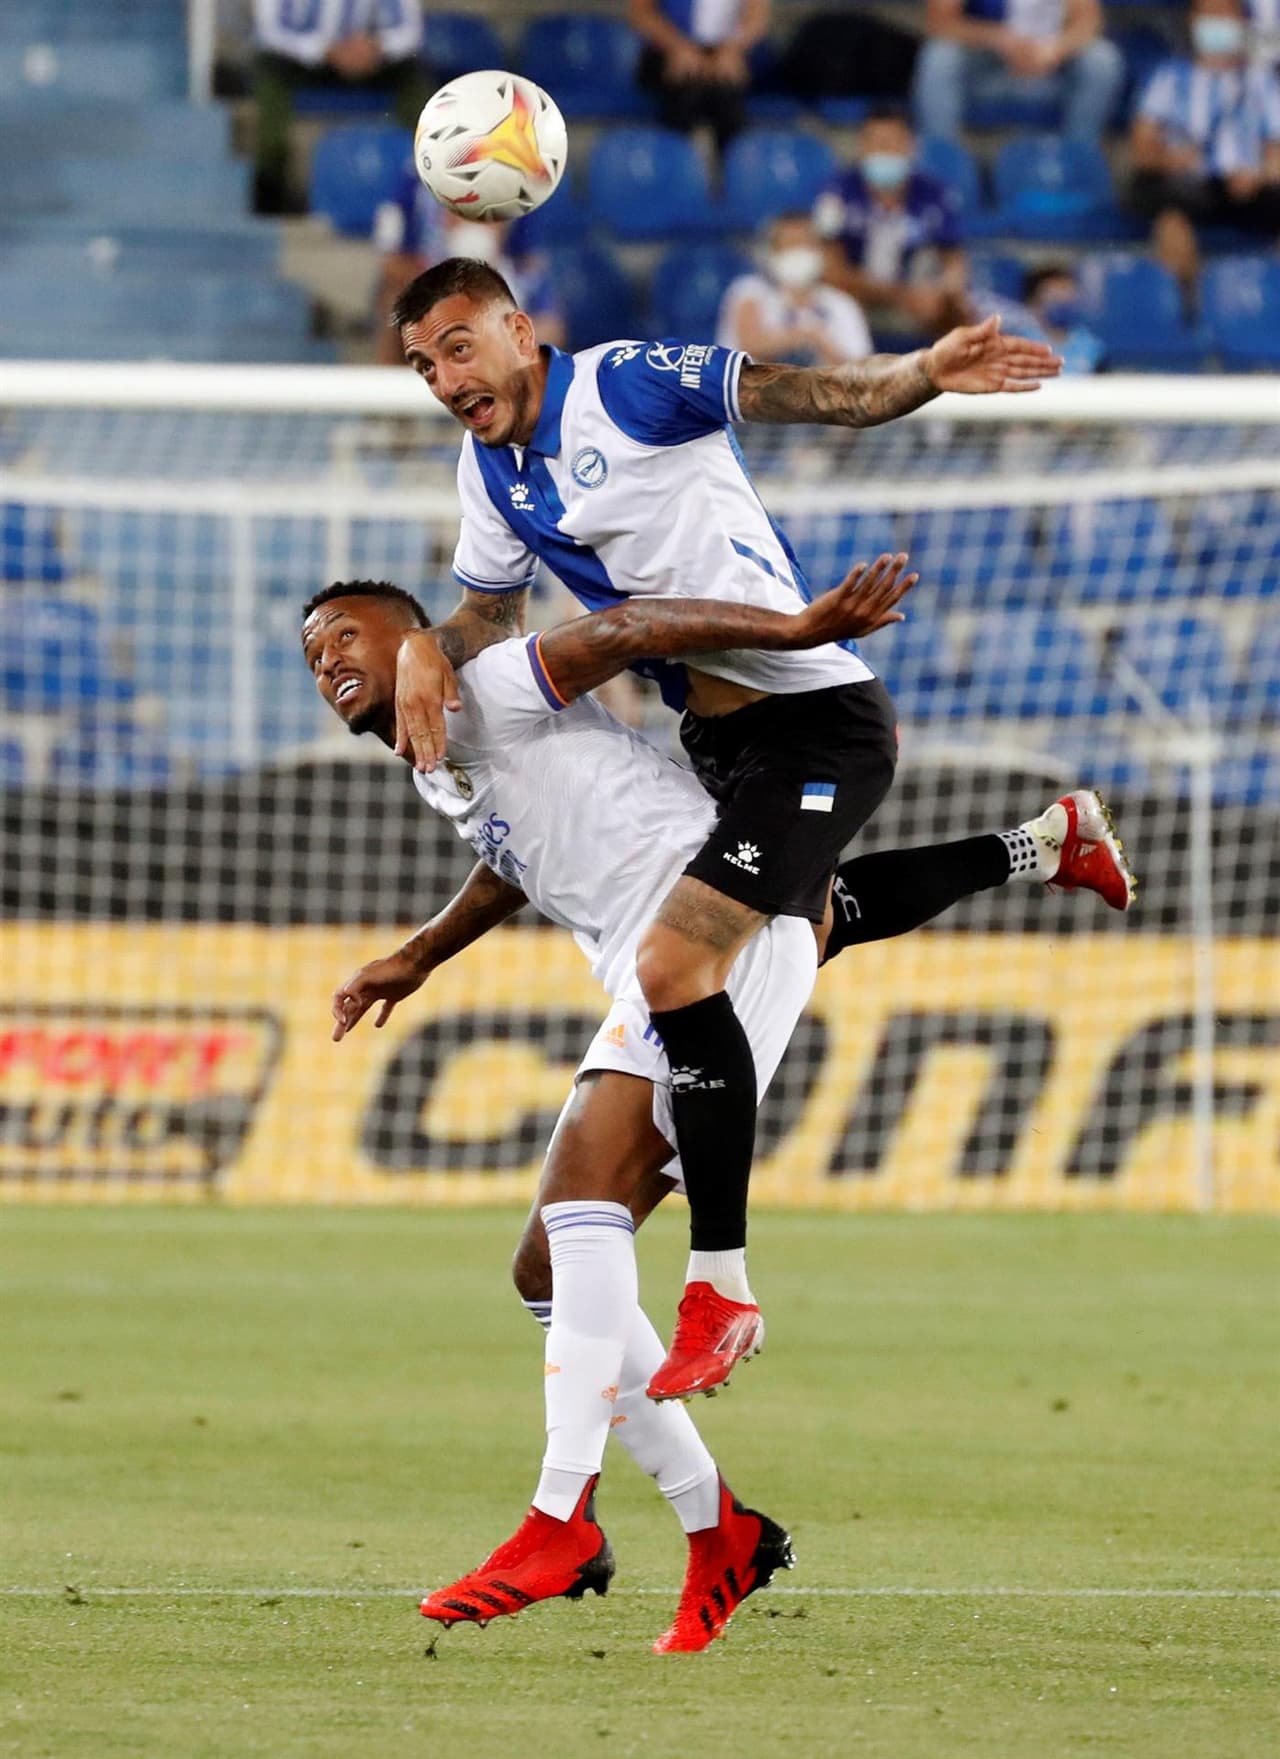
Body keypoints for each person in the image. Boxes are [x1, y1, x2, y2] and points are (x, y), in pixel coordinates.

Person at [302, 574, 1133, 1648]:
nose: (326, 661)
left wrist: (794, 630)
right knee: (546, 1268)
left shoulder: (490, 685)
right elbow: (512, 863)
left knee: (579, 1214)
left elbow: (630, 629)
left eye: (344, 635)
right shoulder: (441, 762)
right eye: (312, 655)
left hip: (697, 944)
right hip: (671, 949)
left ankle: (561, 1516)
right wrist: (415, 955)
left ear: (413, 637)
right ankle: (719, 1527)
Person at [386, 254, 1063, 1404]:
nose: (445, 378)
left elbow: (804, 392)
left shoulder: (630, 383)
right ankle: (1042, 843)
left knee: (673, 960)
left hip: (816, 718)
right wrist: (417, 644)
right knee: (809, 919)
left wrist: (921, 373)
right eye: (421, 364)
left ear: (515, 328)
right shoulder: (486, 470)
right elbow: (485, 614)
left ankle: (722, 1285)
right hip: (715, 742)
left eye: (458, 347)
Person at [1129, 0, 1280, 298]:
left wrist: (1259, 176)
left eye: (1224, 15)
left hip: (1243, 186)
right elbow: (1142, 152)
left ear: (1240, 22)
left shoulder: (1261, 82)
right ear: (1192, 21)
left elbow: (1275, 152)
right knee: (1170, 213)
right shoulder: (1169, 77)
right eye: (1208, 15)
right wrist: (1173, 160)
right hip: (1186, 186)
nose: (1216, 23)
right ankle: (1184, 307)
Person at [251, 0, 430, 215]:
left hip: (368, 57)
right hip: (305, 60)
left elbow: (409, 30)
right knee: (271, 69)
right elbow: (271, 31)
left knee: (412, 73)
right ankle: (271, 181)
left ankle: (428, 168)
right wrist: (326, 50)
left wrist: (376, 46)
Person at [813, 111, 970, 340]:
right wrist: (899, 294)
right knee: (831, 304)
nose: (885, 150)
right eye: (877, 143)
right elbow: (830, 271)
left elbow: (954, 263)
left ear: (911, 146)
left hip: (918, 297)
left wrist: (943, 291)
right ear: (862, 147)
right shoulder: (835, 195)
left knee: (959, 310)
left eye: (893, 143)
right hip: (858, 296)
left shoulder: (935, 193)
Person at [372, 186, 566, 364]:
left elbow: (551, 332)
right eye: (465, 214)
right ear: (445, 219)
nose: (476, 225)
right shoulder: (419, 278)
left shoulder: (521, 279)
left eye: (488, 217)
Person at [912, 0, 1124, 145]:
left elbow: (1088, 22)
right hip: (987, 73)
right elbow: (940, 23)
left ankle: (1077, 163)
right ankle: (941, 168)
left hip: (1050, 74)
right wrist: (999, 39)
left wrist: (1054, 49)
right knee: (938, 55)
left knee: (1102, 59)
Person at [716, 211, 874, 363]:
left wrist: (821, 343)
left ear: (820, 250)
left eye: (805, 243)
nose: (797, 251)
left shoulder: (841, 304)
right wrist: (804, 335)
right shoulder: (749, 291)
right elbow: (749, 345)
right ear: (771, 252)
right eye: (788, 244)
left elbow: (861, 373)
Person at [628, 0, 770, 157]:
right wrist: (677, 48)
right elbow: (642, 15)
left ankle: (734, 172)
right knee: (685, 85)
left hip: (727, 52)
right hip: (666, 49)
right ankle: (672, 167)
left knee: (726, 87)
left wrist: (732, 50)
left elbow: (756, 20)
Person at [1022, 263, 1106, 373]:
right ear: (1033, 302)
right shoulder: (1018, 347)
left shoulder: (1092, 348)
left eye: (1068, 298)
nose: (1063, 303)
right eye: (1055, 298)